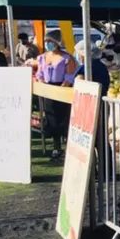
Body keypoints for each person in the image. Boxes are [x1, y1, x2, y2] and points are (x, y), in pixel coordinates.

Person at [35, 30, 78, 160]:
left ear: (57, 42)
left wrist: (60, 91)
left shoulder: (66, 58)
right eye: (46, 41)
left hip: (62, 90)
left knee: (63, 119)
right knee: (51, 120)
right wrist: (43, 86)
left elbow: (69, 77)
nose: (48, 44)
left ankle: (67, 148)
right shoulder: (42, 57)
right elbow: (40, 74)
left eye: (51, 42)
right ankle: (56, 147)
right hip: (48, 91)